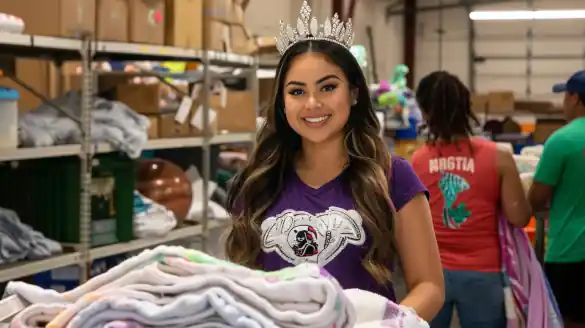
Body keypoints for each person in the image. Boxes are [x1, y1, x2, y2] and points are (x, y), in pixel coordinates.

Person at [224, 1, 444, 321]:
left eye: (328, 87)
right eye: (297, 92)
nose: (313, 103)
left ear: (353, 93)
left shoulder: (392, 176)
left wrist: (387, 326)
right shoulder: (258, 182)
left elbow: (430, 285)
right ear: (282, 102)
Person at [411, 71, 531, 328]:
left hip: (431, 276)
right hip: (483, 273)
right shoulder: (498, 157)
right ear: (467, 107)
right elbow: (519, 217)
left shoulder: (416, 162)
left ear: (424, 111)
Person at [528, 70, 585, 328]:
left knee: (569, 321)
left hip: (570, 250)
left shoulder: (562, 140)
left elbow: (536, 198)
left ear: (574, 98)